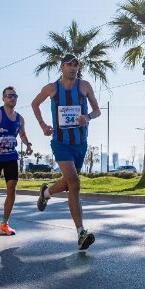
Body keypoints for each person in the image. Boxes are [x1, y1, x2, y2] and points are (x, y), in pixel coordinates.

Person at [31, 53, 101, 250]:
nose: (73, 68)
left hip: (80, 142)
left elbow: (97, 111)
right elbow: (35, 103)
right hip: (61, 142)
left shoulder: (84, 86)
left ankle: (46, 192)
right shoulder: (52, 88)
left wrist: (87, 117)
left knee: (70, 183)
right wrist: (43, 125)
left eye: (76, 65)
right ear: (61, 67)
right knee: (75, 183)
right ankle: (81, 232)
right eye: (69, 65)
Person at [0, 86, 34, 236]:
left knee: (12, 187)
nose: (13, 98)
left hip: (11, 157)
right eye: (9, 95)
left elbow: (23, 134)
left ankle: (4, 224)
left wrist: (28, 144)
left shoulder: (20, 118)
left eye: (15, 96)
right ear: (3, 98)